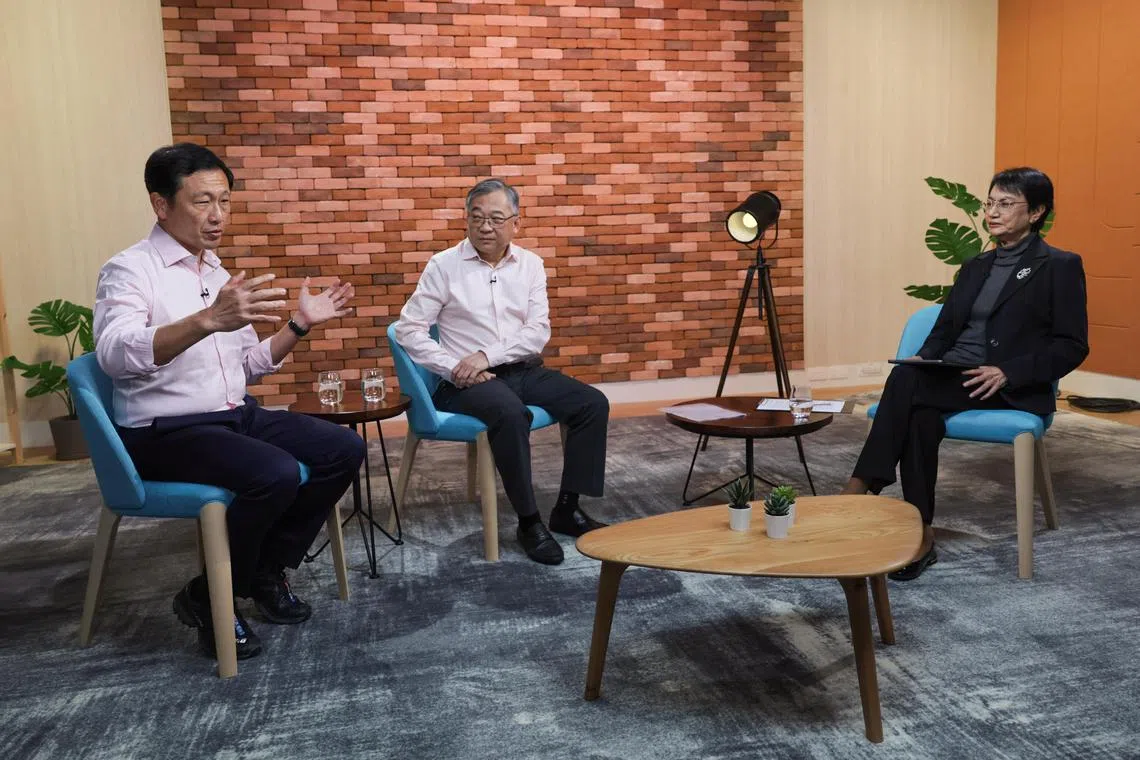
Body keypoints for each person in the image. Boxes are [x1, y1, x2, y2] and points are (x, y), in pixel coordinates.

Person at [94, 143, 365, 660]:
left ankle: (258, 572)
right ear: (161, 204)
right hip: (162, 428)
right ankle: (214, 598)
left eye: (224, 200)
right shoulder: (129, 270)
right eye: (202, 202)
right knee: (276, 473)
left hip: (231, 415)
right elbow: (112, 354)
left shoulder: (217, 274)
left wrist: (299, 325)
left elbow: (246, 367)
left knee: (342, 450)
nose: (217, 215)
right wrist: (206, 321)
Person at [842, 167, 1089, 580]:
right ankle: (920, 535)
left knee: (906, 386)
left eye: (1006, 204)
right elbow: (943, 332)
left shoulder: (1058, 266)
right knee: (918, 414)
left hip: (1006, 384)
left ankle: (861, 486)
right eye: (989, 203)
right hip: (952, 376)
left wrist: (1009, 372)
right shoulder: (975, 266)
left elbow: (1072, 344)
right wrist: (925, 359)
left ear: (1037, 212)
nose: (992, 212)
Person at [394, 178, 610, 566]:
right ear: (466, 220)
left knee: (591, 404)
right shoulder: (444, 267)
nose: (485, 227)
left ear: (516, 223)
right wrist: (456, 366)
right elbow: (408, 330)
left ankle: (566, 506)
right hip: (464, 383)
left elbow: (537, 333)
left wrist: (485, 355)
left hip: (522, 370)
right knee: (512, 414)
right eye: (476, 217)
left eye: (496, 218)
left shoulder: (530, 265)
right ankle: (528, 522)